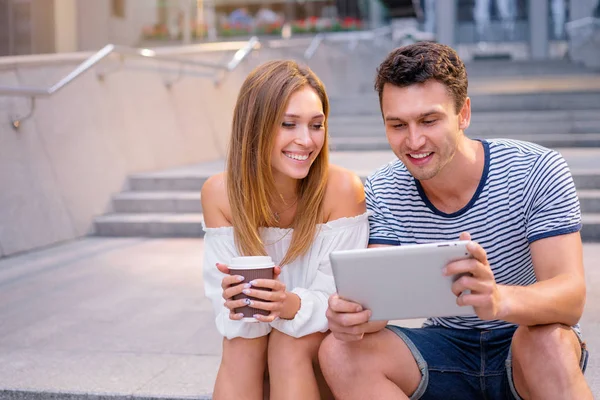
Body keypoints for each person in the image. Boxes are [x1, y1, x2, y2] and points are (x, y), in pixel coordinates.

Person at [319, 42, 592, 399]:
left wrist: (497, 300)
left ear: (463, 114)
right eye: (398, 125)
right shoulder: (384, 187)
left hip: (524, 341)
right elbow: (377, 307)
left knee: (549, 340)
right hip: (445, 349)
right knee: (339, 351)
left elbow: (570, 298)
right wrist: (350, 317)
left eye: (429, 120)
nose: (413, 141)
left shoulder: (535, 170)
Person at [201, 60, 368, 400]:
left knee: (287, 343)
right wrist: (234, 299)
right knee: (241, 340)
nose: (306, 141)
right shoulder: (220, 194)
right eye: (288, 124)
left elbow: (343, 303)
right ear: (255, 127)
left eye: (316, 125)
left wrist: (288, 305)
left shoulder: (342, 190)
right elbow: (230, 315)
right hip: (255, 347)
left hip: (322, 347)